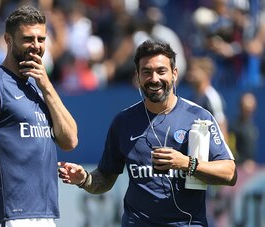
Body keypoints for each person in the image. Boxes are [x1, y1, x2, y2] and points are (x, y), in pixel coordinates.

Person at [58, 41, 237, 226]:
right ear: (137, 76)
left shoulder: (199, 116)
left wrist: (186, 163)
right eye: (146, 72)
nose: (154, 79)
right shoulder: (123, 122)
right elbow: (105, 177)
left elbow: (230, 173)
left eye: (161, 71)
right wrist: (85, 179)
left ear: (174, 74)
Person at [0, 5, 78, 227]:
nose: (36, 46)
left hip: (47, 215)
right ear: (8, 39)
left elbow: (70, 140)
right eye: (28, 39)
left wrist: (47, 87)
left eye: (41, 39)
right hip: (10, 217)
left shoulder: (41, 87)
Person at [186, 56, 229, 141]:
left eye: (194, 70)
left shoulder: (212, 97)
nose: (191, 74)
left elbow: (221, 125)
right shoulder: (194, 96)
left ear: (206, 73)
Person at [229, 92, 258, 167]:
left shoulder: (252, 126)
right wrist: (242, 163)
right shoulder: (234, 127)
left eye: (251, 108)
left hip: (251, 169)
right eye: (246, 108)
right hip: (239, 169)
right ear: (241, 106)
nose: (249, 110)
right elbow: (231, 151)